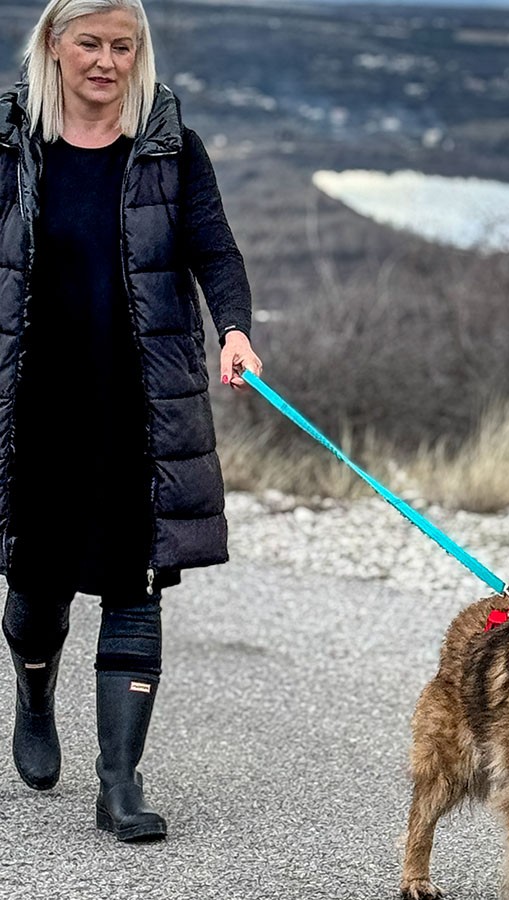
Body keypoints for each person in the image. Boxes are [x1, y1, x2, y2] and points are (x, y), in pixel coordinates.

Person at [0, 0, 263, 841]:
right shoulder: (11, 143)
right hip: (34, 404)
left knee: (134, 582)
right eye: (90, 42)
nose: (107, 61)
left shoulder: (169, 147)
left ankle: (119, 783)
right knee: (35, 588)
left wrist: (233, 330)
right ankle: (34, 693)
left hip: (140, 404)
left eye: (123, 44)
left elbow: (214, 249)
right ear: (54, 43)